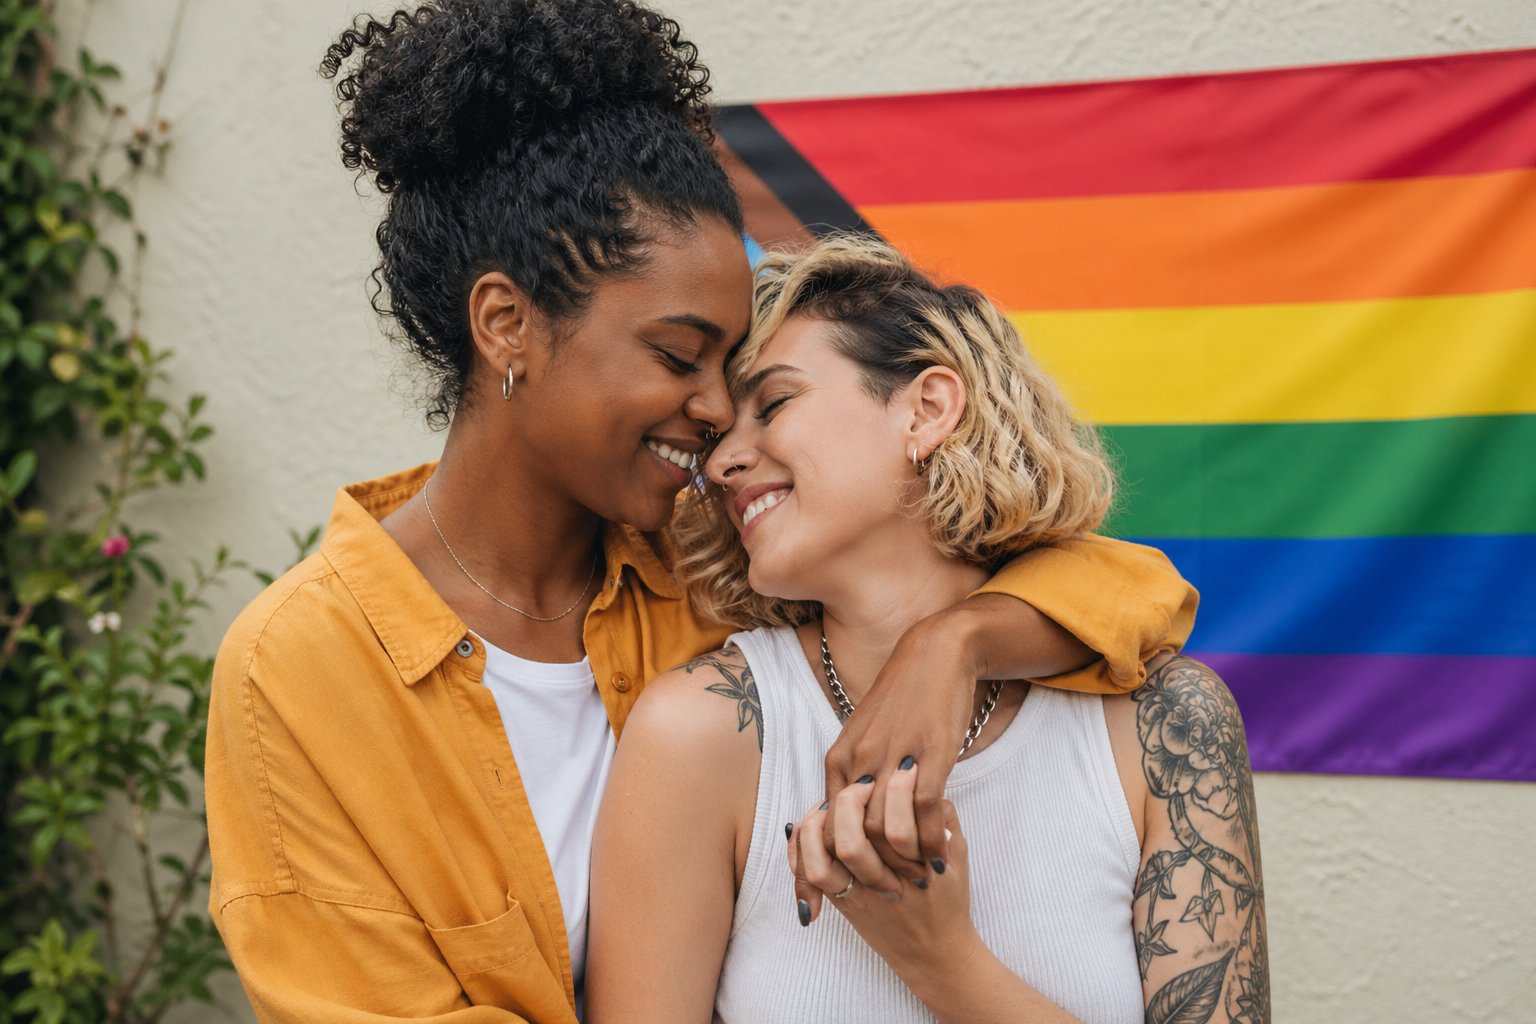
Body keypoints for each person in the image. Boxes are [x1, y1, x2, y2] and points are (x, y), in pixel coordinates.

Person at [204, 3, 1198, 1022]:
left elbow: (1137, 591)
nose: (721, 418)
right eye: (680, 358)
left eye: (733, 368)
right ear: (507, 325)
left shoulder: (710, 554)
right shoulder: (300, 669)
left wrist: (958, 644)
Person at [586, 235, 1268, 1024]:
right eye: (717, 438)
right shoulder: (699, 731)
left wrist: (940, 960)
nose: (725, 461)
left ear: (928, 409)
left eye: (774, 404)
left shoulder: (1164, 725)